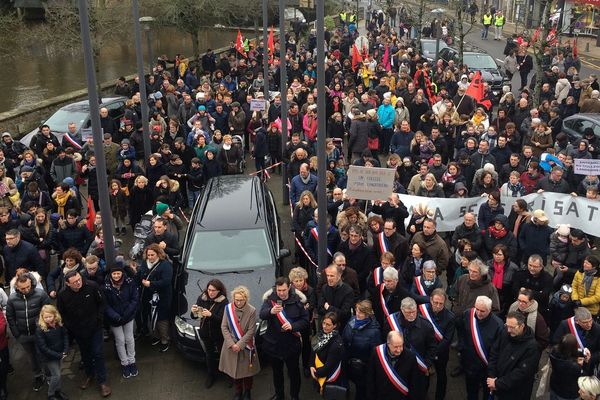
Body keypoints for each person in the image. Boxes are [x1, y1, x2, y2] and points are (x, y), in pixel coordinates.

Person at [57, 270, 111, 397]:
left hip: (95, 328)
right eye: (74, 282)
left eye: (79, 280)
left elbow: (102, 303)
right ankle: (89, 375)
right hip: (79, 331)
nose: (78, 283)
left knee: (98, 354)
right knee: (85, 354)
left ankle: (102, 381)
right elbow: (62, 312)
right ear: (67, 283)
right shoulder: (63, 295)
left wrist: (99, 318)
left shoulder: (92, 286)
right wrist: (70, 326)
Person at [259, 277, 309, 400]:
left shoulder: (297, 301)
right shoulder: (270, 300)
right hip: (273, 345)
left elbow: (305, 320)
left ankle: (294, 396)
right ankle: (279, 395)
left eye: (284, 290)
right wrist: (270, 311)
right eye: (279, 290)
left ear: (289, 288)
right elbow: (261, 315)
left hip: (291, 345)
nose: (281, 293)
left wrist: (293, 326)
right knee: (277, 373)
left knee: (294, 373)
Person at [6, 273, 51, 392]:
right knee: (31, 357)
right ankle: (38, 376)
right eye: (22, 288)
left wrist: (44, 330)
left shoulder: (40, 294)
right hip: (23, 335)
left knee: (43, 355)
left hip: (39, 334)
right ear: (17, 286)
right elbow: (10, 317)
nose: (26, 290)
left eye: (28, 287)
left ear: (31, 283)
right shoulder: (12, 299)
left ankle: (50, 376)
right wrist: (17, 334)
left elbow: (49, 312)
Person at [487, 311, 541, 400]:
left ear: (522, 326)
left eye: (512, 327)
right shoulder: (505, 332)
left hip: (516, 392)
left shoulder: (532, 347)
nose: (508, 330)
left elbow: (522, 373)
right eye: (507, 326)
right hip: (498, 384)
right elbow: (494, 352)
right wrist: (492, 376)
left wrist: (498, 383)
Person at [219, 286, 260, 400]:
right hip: (231, 345)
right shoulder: (228, 309)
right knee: (234, 371)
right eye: (236, 299)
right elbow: (224, 327)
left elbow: (251, 330)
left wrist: (240, 344)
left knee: (247, 372)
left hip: (246, 346)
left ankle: (247, 391)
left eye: (241, 299)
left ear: (245, 299)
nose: (238, 302)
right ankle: (238, 391)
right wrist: (232, 344)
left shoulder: (251, 310)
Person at [460, 296, 504, 400]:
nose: (479, 313)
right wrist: (462, 349)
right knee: (471, 392)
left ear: (489, 310)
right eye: (477, 309)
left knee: (487, 393)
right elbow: (461, 332)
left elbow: (498, 350)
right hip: (469, 364)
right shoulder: (468, 314)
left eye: (482, 311)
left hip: (486, 368)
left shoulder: (498, 325)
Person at [383, 297, 437, 382]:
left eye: (414, 312)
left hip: (418, 365)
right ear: (402, 310)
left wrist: (427, 363)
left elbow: (432, 346)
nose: (412, 315)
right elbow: (385, 342)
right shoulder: (391, 322)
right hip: (397, 364)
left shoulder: (426, 325)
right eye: (408, 312)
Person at [103, 261, 139, 379]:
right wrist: (116, 316)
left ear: (122, 273)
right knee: (120, 340)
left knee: (129, 339)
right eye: (114, 274)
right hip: (115, 319)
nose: (116, 276)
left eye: (118, 273)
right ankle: (124, 363)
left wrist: (127, 313)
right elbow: (106, 305)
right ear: (111, 275)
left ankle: (132, 361)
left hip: (128, 316)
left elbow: (134, 299)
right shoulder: (106, 286)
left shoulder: (130, 282)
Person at [366, 330, 426, 399]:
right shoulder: (377, 353)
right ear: (388, 344)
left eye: (401, 346)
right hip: (381, 396)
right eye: (396, 347)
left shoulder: (410, 357)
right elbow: (371, 378)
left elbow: (414, 383)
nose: (399, 350)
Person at [191, 279, 228, 388]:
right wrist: (193, 312)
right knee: (209, 355)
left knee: (224, 354)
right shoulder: (202, 298)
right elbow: (196, 316)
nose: (211, 292)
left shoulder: (224, 301)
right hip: (206, 332)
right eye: (209, 290)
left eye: (213, 290)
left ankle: (228, 374)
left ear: (219, 291)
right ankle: (211, 375)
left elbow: (224, 319)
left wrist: (211, 315)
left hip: (219, 333)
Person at [342, 300, 381, 400]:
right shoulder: (352, 320)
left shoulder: (374, 331)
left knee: (361, 391)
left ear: (367, 314)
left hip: (362, 367)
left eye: (360, 312)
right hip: (347, 361)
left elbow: (375, 354)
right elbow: (344, 337)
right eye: (356, 310)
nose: (357, 314)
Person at [139, 244, 173, 353]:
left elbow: (166, 281)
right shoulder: (144, 263)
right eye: (148, 255)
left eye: (152, 255)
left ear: (158, 254)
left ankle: (164, 340)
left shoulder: (166, 265)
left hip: (162, 297)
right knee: (151, 316)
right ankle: (156, 336)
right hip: (148, 297)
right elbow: (141, 275)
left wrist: (151, 284)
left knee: (161, 319)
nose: (150, 257)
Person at [423, 289, 455, 400]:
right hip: (424, 351)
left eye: (441, 303)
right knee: (424, 375)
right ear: (431, 300)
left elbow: (447, 340)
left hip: (440, 353)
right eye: (435, 302)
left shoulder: (450, 317)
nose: (438, 305)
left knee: (441, 376)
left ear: (445, 302)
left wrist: (433, 353)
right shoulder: (422, 311)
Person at [35, 305, 69, 400]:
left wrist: (65, 350)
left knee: (58, 374)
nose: (48, 319)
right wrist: (58, 355)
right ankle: (51, 394)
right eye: (46, 317)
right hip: (49, 357)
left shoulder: (59, 324)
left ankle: (58, 391)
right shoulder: (40, 329)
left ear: (55, 315)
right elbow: (43, 347)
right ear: (42, 317)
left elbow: (65, 336)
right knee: (56, 375)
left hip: (60, 353)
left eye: (50, 316)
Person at [310, 312, 345, 394]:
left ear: (335, 325)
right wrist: (311, 365)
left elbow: (329, 366)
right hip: (318, 369)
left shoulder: (336, 344)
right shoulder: (321, 333)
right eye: (324, 323)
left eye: (328, 324)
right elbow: (313, 350)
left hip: (328, 376)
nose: (324, 326)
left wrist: (315, 373)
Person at [317, 264, 355, 330]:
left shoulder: (348, 291)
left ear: (339, 276)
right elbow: (320, 309)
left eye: (332, 276)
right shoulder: (324, 288)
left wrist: (329, 307)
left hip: (341, 328)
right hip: (325, 327)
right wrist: (335, 311)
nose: (329, 278)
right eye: (327, 275)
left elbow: (344, 314)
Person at [548, 334, 585, 400]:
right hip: (568, 393)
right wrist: (583, 365)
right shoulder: (573, 366)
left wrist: (582, 353)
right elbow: (582, 375)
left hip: (555, 386)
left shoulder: (554, 352)